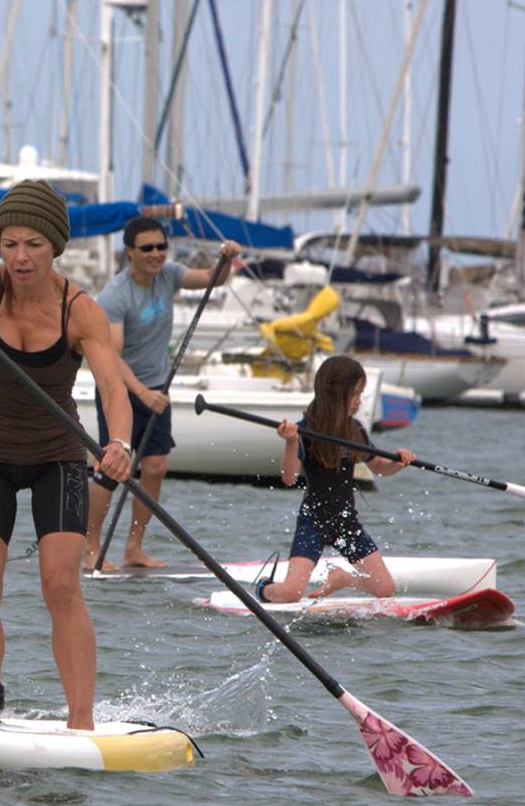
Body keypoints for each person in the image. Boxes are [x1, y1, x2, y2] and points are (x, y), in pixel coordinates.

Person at [0, 179, 135, 730]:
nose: (20, 257)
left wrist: (119, 443)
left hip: (56, 458)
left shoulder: (80, 310)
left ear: (55, 247)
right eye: (10, 243)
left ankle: (81, 723)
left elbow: (113, 388)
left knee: (61, 585)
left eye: (33, 245)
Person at [82, 218, 240, 571]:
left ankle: (133, 548)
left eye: (161, 247)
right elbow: (111, 356)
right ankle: (90, 549)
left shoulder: (168, 275)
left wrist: (226, 260)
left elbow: (213, 279)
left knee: (155, 467)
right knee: (111, 471)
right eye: (147, 248)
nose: (156, 254)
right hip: (119, 390)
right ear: (129, 252)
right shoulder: (115, 295)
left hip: (156, 389)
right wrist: (141, 393)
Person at [256, 356, 414, 603]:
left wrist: (398, 462)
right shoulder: (305, 430)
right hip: (314, 522)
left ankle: (342, 578)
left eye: (361, 394)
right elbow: (289, 477)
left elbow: (378, 467)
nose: (359, 401)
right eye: (355, 394)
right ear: (336, 394)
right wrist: (291, 441)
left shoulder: (355, 430)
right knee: (290, 594)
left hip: (346, 522)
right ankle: (263, 587)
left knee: (384, 588)